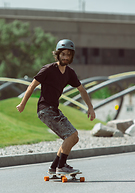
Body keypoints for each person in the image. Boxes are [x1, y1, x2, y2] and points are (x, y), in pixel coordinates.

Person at [16, 39, 96, 175]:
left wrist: (90, 107)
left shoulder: (70, 73)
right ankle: (62, 166)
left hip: (54, 109)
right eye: (63, 54)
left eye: (68, 55)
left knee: (72, 138)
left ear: (71, 56)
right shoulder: (48, 69)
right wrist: (23, 103)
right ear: (57, 55)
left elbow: (81, 90)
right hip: (45, 109)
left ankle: (54, 167)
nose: (65, 57)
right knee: (71, 135)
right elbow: (32, 85)